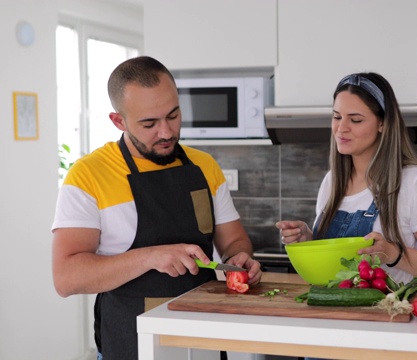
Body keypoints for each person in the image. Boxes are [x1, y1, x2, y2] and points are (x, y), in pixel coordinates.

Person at [51, 56, 262, 360]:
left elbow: (233, 240)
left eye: (173, 116)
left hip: (202, 340)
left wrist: (238, 258)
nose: (166, 132)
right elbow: (66, 278)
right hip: (131, 344)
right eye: (149, 123)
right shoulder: (88, 176)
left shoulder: (204, 166)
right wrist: (151, 256)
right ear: (118, 121)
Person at [276, 72, 417, 284]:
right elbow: (338, 265)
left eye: (356, 120)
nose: (341, 129)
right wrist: (309, 240)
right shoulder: (331, 182)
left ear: (382, 124)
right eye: (336, 117)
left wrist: (393, 254)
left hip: (388, 312)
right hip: (332, 312)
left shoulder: (414, 181)